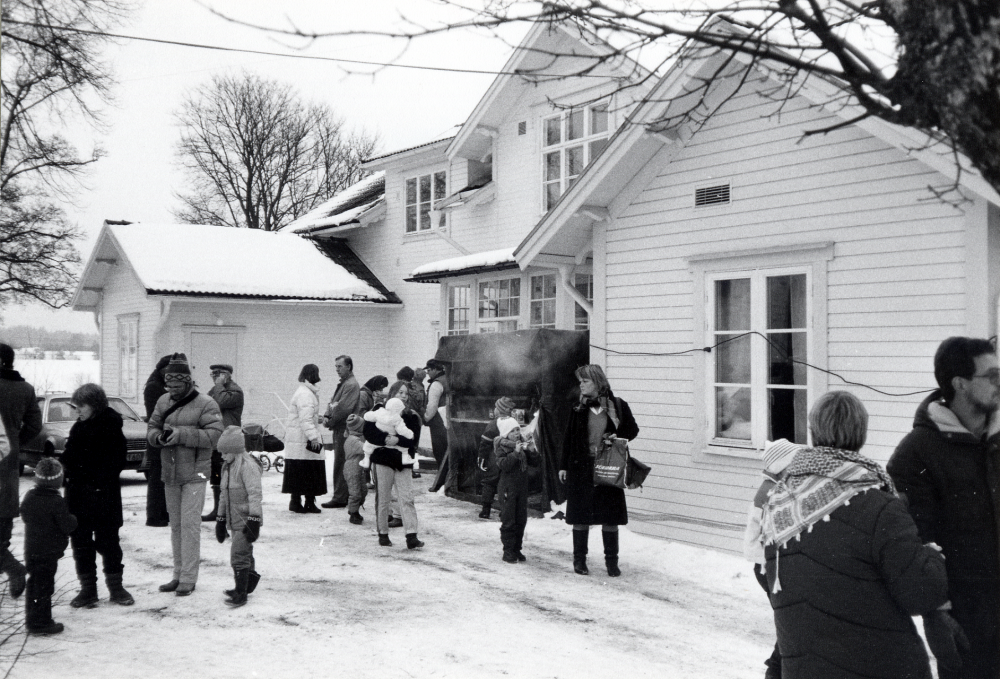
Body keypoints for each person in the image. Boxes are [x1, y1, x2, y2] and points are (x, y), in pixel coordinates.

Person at [760, 391, 953, 679]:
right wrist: (930, 556)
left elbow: (772, 582)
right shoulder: (879, 505)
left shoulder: (779, 504)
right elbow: (921, 594)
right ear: (861, 433)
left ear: (813, 434)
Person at [887, 337, 1000, 679]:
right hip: (969, 622)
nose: (999, 383)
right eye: (992, 375)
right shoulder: (916, 455)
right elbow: (915, 544)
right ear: (960, 383)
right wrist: (936, 613)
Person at [147, 353, 223, 596]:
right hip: (170, 471)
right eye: (169, 385)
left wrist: (180, 435)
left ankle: (189, 578)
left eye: (177, 385)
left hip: (196, 474)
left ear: (188, 382)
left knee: (190, 526)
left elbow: (214, 436)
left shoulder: (206, 404)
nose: (172, 390)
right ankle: (177, 575)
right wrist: (158, 438)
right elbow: (152, 427)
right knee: (176, 526)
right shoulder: (163, 400)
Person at [559, 364, 639, 577]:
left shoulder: (617, 406)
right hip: (580, 468)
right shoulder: (578, 408)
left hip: (608, 467)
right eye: (580, 382)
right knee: (580, 516)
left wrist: (618, 437)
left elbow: (632, 430)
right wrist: (563, 465)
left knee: (610, 517)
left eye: (585, 381)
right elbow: (568, 438)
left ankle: (611, 563)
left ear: (598, 382)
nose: (581, 385)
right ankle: (579, 561)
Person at [62, 383, 133, 608]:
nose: (77, 411)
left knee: (108, 542)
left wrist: (96, 483)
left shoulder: (111, 426)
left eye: (81, 406)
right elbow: (69, 458)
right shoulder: (78, 428)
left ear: (94, 405)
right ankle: (88, 590)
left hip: (104, 496)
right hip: (78, 497)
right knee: (81, 543)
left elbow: (116, 462)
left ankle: (116, 588)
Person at [743, 439, 802, 679]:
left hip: (773, 565)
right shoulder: (771, 491)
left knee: (792, 622)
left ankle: (776, 667)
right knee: (792, 623)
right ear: (782, 466)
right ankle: (775, 670)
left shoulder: (778, 485)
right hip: (770, 568)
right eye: (796, 463)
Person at [0, 342, 42, 600]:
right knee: (1, 531)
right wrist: (15, 441)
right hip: (7, 467)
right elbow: (35, 425)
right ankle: (12, 568)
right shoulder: (25, 389)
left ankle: (14, 569)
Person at [19, 457, 77, 635]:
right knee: (44, 587)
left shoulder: (30, 496)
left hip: (32, 550)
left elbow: (24, 514)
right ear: (58, 480)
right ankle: (41, 623)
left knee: (34, 584)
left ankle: (32, 619)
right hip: (48, 553)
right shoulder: (56, 502)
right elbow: (67, 525)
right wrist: (74, 519)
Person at [365, 380, 424, 549]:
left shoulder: (411, 416)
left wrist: (398, 440)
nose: (403, 396)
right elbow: (369, 432)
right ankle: (383, 533)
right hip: (383, 459)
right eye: (400, 392)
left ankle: (411, 535)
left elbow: (413, 439)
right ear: (392, 394)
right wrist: (385, 440)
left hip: (402, 462)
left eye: (406, 393)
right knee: (383, 498)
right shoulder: (378, 412)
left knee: (407, 498)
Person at [214, 425, 263, 608]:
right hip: (234, 520)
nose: (222, 455)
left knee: (238, 554)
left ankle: (241, 592)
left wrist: (254, 519)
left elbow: (255, 494)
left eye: (225, 452)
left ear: (235, 451)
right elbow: (223, 496)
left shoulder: (247, 467)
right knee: (245, 553)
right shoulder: (227, 468)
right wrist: (220, 519)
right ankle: (247, 584)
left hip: (247, 519)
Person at [494, 416, 540, 563]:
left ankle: (517, 549)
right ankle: (508, 551)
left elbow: (535, 463)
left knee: (521, 520)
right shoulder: (501, 446)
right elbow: (503, 465)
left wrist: (532, 451)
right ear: (506, 433)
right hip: (508, 488)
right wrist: (515, 453)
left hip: (521, 488)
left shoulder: (521, 445)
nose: (516, 433)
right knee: (509, 520)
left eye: (517, 430)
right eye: (512, 431)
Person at [282, 364, 326, 513]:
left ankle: (298, 502)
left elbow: (306, 416)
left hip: (298, 440)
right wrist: (314, 437)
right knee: (309, 471)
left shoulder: (304, 392)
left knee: (300, 472)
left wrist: (316, 418)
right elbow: (305, 420)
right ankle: (307, 502)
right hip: (302, 440)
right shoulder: (306, 394)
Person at [203, 363, 244, 522]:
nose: (214, 376)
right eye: (212, 373)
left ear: (227, 375)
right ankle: (218, 510)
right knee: (216, 477)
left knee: (228, 479)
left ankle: (229, 512)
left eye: (217, 373)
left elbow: (220, 402)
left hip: (229, 440)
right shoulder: (216, 390)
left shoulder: (235, 391)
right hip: (216, 440)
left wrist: (219, 385)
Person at [321, 355, 360, 508]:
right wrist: (326, 415)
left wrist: (329, 420)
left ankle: (340, 496)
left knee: (341, 463)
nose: (337, 369)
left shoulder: (350, 385)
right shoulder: (344, 384)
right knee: (340, 462)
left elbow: (343, 408)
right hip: (339, 428)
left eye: (340, 366)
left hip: (344, 429)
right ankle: (342, 495)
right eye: (336, 366)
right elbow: (332, 403)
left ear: (349, 366)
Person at [144, 355, 172, 527]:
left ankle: (161, 513)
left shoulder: (157, 385)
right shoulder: (154, 388)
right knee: (156, 480)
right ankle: (154, 516)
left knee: (160, 478)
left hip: (158, 439)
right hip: (157, 439)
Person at [478, 396, 516, 520]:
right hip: (509, 459)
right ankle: (504, 511)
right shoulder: (513, 422)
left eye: (496, 407)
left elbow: (485, 442)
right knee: (506, 485)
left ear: (499, 410)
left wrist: (481, 457)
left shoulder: (494, 423)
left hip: (494, 458)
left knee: (489, 483)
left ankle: (486, 510)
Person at [361, 398, 414, 468]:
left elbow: (369, 416)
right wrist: (410, 434)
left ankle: (366, 460)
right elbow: (402, 430)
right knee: (404, 449)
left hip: (378, 444)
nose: (404, 396)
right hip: (392, 441)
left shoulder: (379, 412)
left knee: (367, 446)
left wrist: (366, 415)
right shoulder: (397, 418)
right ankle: (405, 459)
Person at [423, 359, 450, 469]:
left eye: (429, 370)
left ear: (435, 369)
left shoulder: (437, 383)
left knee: (439, 451)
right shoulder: (448, 379)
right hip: (448, 420)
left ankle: (442, 478)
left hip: (438, 422)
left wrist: (425, 418)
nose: (427, 373)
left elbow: (432, 406)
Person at [343, 414, 368, 525]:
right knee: (355, 492)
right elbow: (365, 448)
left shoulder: (356, 438)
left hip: (358, 469)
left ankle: (355, 508)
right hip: (351, 469)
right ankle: (353, 512)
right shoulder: (353, 440)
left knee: (363, 490)